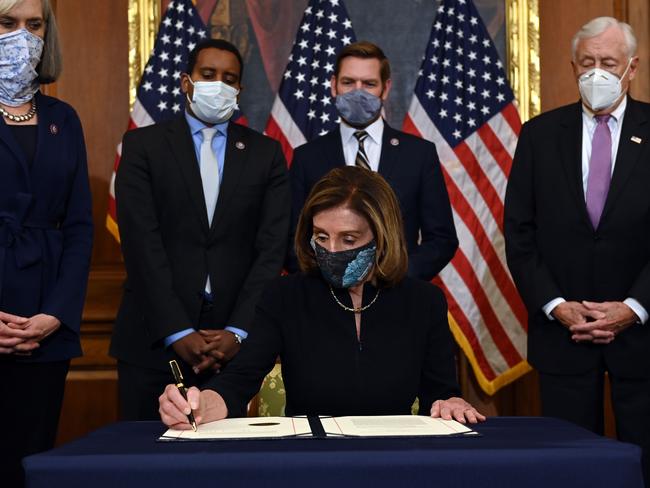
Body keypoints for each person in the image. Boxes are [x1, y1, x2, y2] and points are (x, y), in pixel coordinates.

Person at [159, 166, 485, 427]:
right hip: (309, 460)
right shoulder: (284, 296)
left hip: (395, 459)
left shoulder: (424, 301)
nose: (331, 251)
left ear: (381, 238)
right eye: (321, 236)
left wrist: (451, 403)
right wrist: (200, 405)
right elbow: (239, 381)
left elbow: (441, 394)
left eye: (348, 239)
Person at [110, 39, 290, 421]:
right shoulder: (143, 146)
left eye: (230, 78)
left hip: (235, 347)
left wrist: (238, 331)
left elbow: (272, 248)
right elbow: (142, 244)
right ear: (186, 82)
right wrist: (178, 331)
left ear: (239, 90)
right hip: (152, 340)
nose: (218, 85)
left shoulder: (266, 154)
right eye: (208, 75)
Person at [504, 17, 649, 483]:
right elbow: (519, 234)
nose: (597, 73)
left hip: (643, 335)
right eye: (587, 63)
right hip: (563, 334)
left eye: (608, 62)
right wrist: (556, 306)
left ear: (633, 68)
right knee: (568, 468)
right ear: (572, 66)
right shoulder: (539, 134)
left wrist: (633, 307)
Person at [0, 0, 93, 486]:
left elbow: (80, 227)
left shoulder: (64, 117)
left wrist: (55, 314)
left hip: (45, 329)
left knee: (31, 464)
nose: (22, 36)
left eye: (33, 25)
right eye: (7, 23)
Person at [288, 41, 457, 281]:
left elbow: (442, 238)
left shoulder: (419, 154)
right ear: (334, 85)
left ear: (385, 89)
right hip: (326, 299)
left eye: (369, 84)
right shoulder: (307, 157)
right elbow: (292, 238)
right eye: (348, 82)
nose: (358, 92)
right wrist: (328, 279)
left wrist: (395, 277)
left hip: (397, 297)